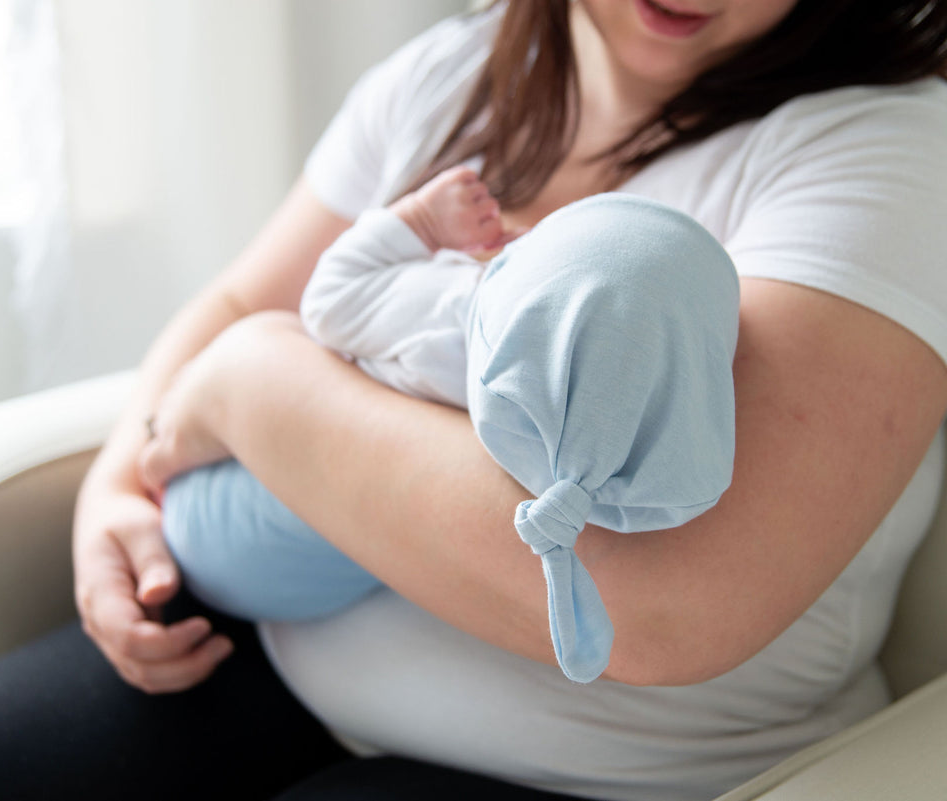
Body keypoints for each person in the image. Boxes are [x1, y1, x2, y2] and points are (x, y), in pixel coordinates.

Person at [0, 0, 947, 799]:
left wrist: (257, 388)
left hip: (599, 770)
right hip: (274, 654)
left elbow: (662, 613)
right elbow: (236, 301)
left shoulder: (887, 151)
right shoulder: (450, 74)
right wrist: (121, 481)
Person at [162, 164, 739, 683]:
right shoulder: (566, 451)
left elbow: (328, 297)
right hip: (284, 537)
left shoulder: (446, 314)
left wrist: (418, 224)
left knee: (282, 336)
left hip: (225, 522)